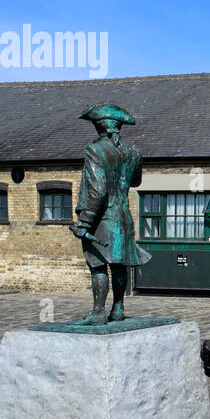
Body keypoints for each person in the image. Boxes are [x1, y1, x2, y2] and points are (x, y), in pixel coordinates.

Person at [70, 104, 151, 324]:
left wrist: (85, 222)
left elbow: (98, 189)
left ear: (99, 127)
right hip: (123, 217)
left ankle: (97, 313)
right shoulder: (133, 152)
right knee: (119, 265)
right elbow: (135, 181)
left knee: (98, 265)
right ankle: (118, 309)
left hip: (102, 219)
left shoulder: (94, 150)